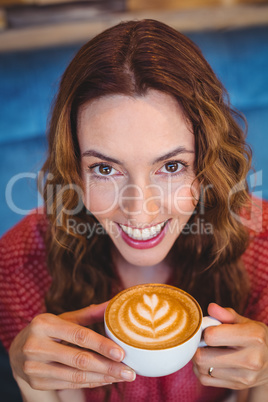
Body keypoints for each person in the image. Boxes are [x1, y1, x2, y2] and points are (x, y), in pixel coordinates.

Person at [0, 19, 267, 402]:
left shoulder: (263, 247)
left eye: (171, 167)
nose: (139, 212)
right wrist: (29, 381)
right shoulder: (16, 267)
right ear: (74, 168)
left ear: (206, 164)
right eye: (105, 169)